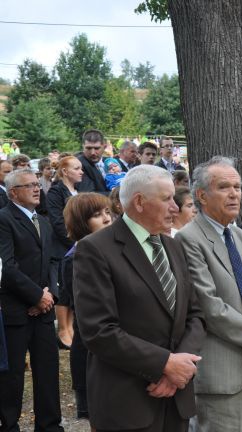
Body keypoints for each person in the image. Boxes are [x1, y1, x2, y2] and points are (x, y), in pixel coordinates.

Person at [73, 165, 206, 432]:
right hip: (127, 404)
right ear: (139, 202)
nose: (175, 208)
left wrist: (178, 368)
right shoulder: (96, 249)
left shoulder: (173, 246)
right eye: (167, 199)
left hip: (174, 401)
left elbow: (195, 314)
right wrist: (164, 364)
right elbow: (98, 330)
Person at [174, 156, 242, 432]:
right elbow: (210, 306)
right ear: (201, 195)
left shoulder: (240, 237)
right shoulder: (188, 239)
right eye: (224, 187)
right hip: (224, 377)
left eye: (237, 186)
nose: (235, 193)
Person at [0, 168, 63, 432]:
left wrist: (49, 296)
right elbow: (7, 266)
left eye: (38, 184)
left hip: (44, 310)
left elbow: (52, 262)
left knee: (48, 372)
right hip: (16, 310)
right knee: (12, 376)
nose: (37, 189)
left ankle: (49, 426)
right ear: (14, 192)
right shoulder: (4, 219)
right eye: (29, 186)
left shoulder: (44, 222)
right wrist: (36, 296)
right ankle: (9, 425)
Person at [61, 192, 113, 419]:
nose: (107, 219)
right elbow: (87, 313)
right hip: (93, 353)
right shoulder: (76, 257)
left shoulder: (110, 249)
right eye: (97, 215)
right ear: (82, 222)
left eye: (108, 212)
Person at [46, 156, 83, 349]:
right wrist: (74, 242)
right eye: (76, 168)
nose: (81, 171)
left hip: (78, 244)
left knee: (73, 287)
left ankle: (71, 328)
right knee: (63, 289)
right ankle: (63, 330)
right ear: (65, 171)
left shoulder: (79, 191)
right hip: (63, 246)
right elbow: (58, 222)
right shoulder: (55, 192)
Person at [77, 129, 109, 194]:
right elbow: (87, 195)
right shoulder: (78, 165)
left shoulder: (110, 162)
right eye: (88, 148)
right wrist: (117, 195)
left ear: (104, 147)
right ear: (83, 147)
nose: (93, 153)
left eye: (97, 148)